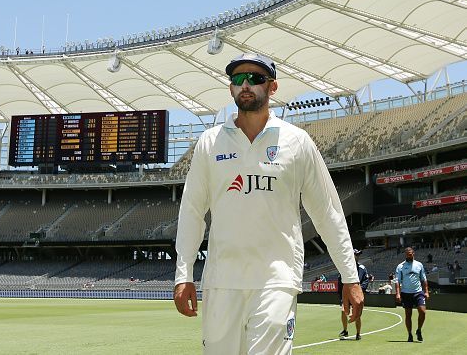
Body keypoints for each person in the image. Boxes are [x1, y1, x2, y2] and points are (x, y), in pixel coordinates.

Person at [173, 52, 364, 354]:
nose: (245, 84)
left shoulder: (297, 142)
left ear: (272, 87)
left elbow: (327, 212)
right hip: (222, 281)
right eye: (238, 79)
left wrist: (350, 277)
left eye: (256, 78)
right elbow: (192, 212)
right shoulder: (210, 142)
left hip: (277, 279)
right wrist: (183, 274)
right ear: (230, 89)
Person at [395, 247, 429, 342]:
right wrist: (398, 293)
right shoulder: (400, 266)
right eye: (408, 254)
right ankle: (409, 334)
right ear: (405, 255)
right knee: (408, 314)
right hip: (406, 293)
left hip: (418, 292)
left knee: (422, 312)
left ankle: (419, 330)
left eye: (411, 254)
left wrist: (426, 291)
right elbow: (397, 281)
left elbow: (424, 279)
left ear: (413, 253)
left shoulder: (419, 265)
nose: (409, 256)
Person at [337, 249, 370, 340]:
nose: (357, 256)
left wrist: (360, 290)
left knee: (357, 314)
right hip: (347, 294)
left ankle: (358, 333)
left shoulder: (362, 268)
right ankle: (345, 330)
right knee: (343, 311)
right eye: (356, 254)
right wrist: (341, 296)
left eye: (358, 255)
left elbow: (366, 281)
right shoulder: (345, 268)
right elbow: (340, 283)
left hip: (357, 295)